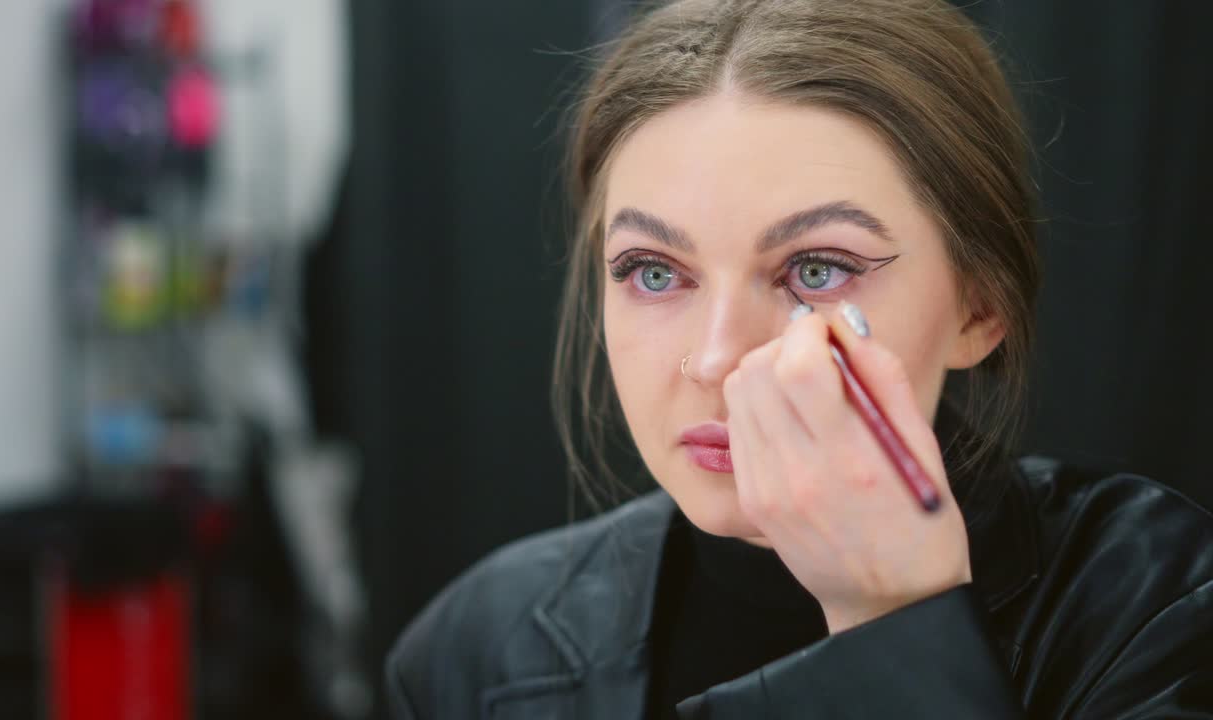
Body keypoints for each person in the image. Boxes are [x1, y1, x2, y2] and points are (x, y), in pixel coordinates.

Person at [384, 0, 1213, 717]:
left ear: (980, 307)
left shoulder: (1158, 605)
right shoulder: (474, 649)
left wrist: (897, 620)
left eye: (816, 271)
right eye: (654, 272)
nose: (715, 361)